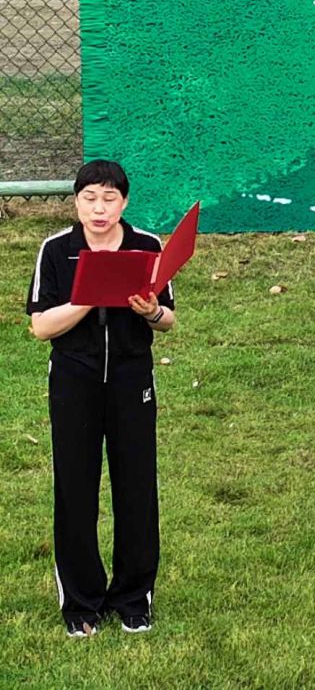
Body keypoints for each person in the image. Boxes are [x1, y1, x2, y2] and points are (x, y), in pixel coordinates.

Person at [26, 160, 177, 637]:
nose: (99, 208)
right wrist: (90, 295)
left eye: (110, 199)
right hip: (75, 379)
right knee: (75, 488)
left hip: (132, 379)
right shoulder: (56, 250)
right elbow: (40, 326)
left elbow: (169, 319)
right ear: (76, 202)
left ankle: (134, 598)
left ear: (124, 202)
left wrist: (151, 311)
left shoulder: (146, 246)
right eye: (89, 198)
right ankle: (81, 603)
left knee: (137, 486)